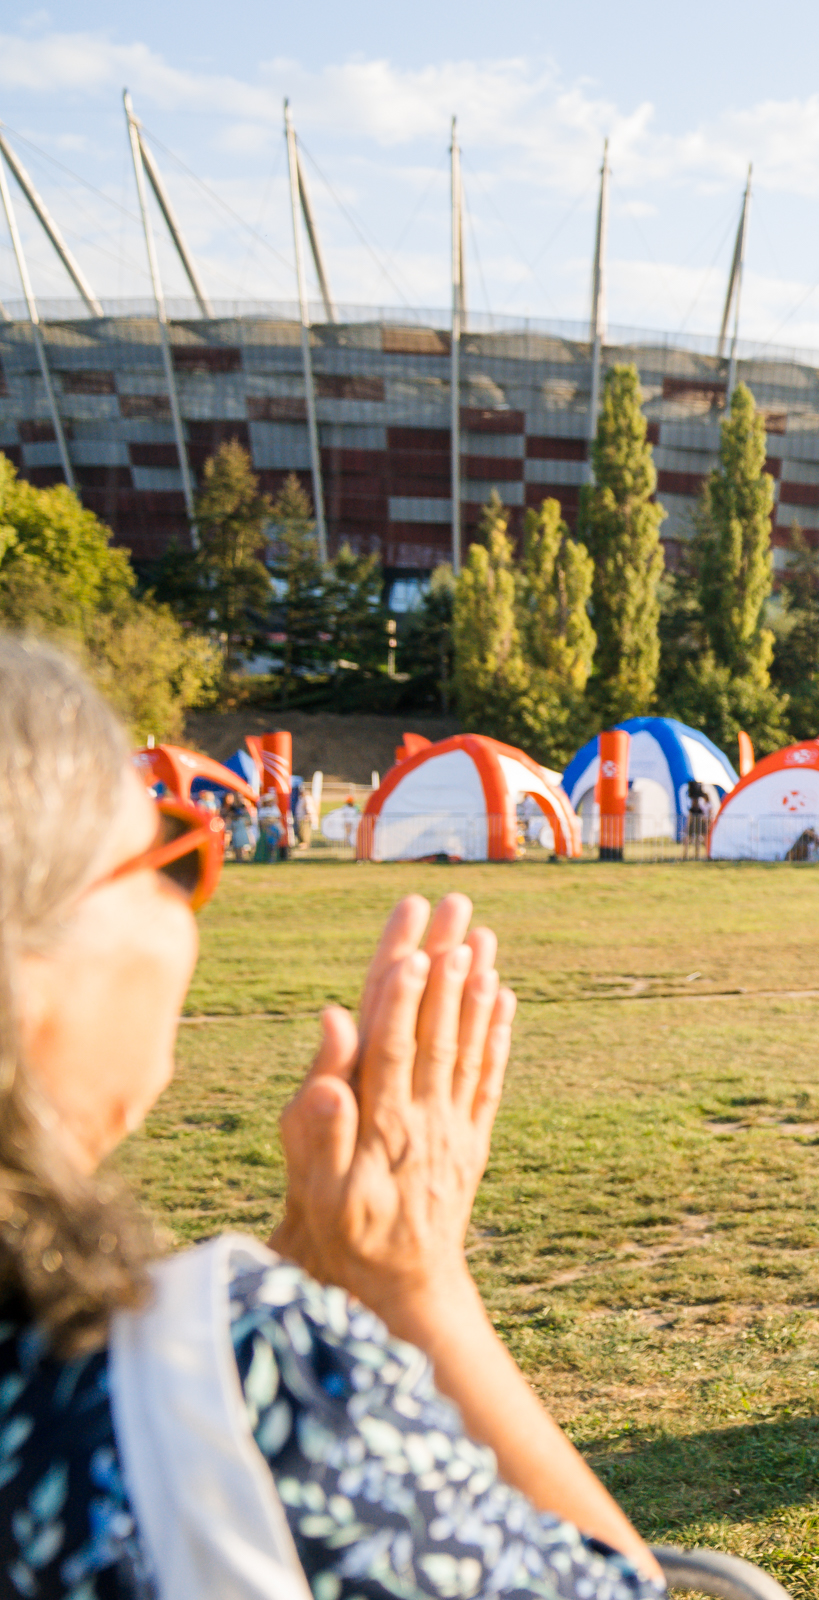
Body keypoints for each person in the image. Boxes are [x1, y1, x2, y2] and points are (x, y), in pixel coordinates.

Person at [0, 638, 664, 1596]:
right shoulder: (224, 1376)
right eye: (173, 860)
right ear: (30, 970)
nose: (185, 908)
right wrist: (412, 1278)